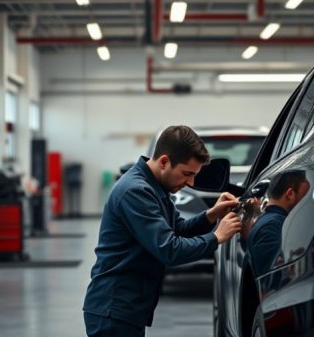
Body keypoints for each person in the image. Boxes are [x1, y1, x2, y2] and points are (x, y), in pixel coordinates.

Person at [83, 125, 242, 337]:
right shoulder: (136, 191)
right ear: (165, 161)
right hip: (114, 309)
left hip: (125, 308)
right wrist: (215, 238)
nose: (191, 183)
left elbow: (179, 229)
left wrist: (211, 215)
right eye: (186, 173)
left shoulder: (155, 187)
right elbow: (170, 249)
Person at [246, 170, 310, 277]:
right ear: (290, 194)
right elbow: (270, 278)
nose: (307, 204)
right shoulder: (273, 225)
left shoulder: (267, 221)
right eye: (305, 197)